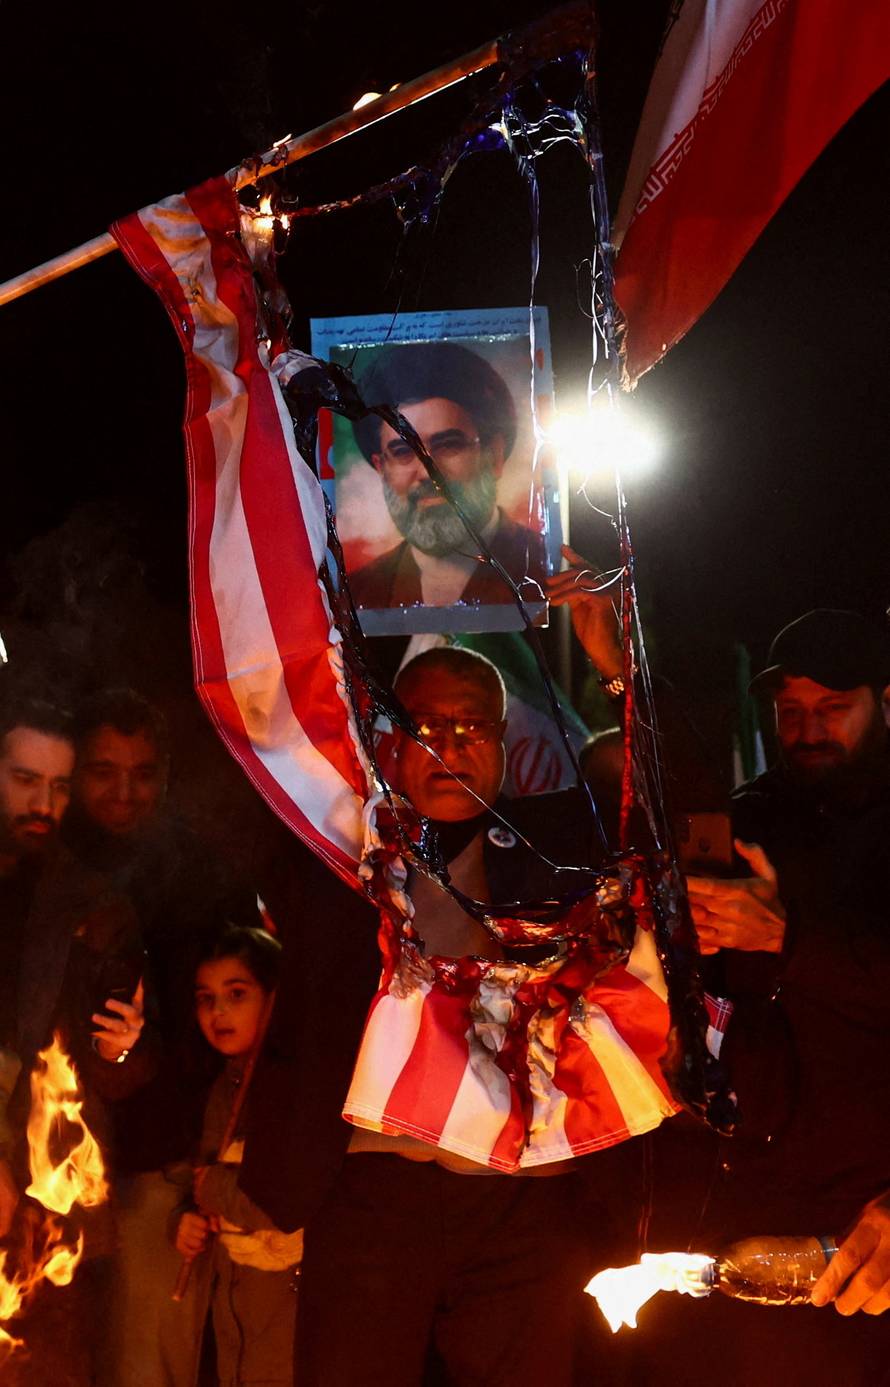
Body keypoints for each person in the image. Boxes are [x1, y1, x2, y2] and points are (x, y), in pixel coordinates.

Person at [241, 592, 685, 1386]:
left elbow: (663, 808)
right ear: (391, 741)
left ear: (507, 743)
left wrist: (617, 673)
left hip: (530, 1204)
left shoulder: (562, 844)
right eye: (423, 727)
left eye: (470, 726)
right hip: (376, 1190)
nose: (446, 746)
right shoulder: (341, 847)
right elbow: (270, 741)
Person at [626, 608, 890, 1384]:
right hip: (756, 1188)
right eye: (790, 712)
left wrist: (792, 937)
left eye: (832, 708)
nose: (808, 730)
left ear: (883, 700)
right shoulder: (752, 813)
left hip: (870, 1197)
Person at [63, 689, 256, 1387]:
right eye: (104, 770)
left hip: (157, 1167)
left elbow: (232, 1026)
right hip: (49, 1170)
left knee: (144, 1366)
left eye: (142, 773)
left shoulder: (201, 876)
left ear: (167, 772)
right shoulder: (47, 867)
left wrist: (145, 1061)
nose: (123, 791)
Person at [0, 691, 148, 1384]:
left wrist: (121, 1049)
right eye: (25, 780)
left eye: (59, 786)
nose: (43, 803)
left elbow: (114, 1071)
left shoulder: (96, 902)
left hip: (53, 1206)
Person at [171, 926, 300, 1387]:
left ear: (273, 997)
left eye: (237, 993)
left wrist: (214, 1188)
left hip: (288, 1303)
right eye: (206, 998)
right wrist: (190, 1218)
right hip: (235, 1302)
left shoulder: (294, 1089)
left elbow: (284, 1198)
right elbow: (206, 1184)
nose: (218, 1012)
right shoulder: (221, 1089)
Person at [348, 340, 546, 609]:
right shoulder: (357, 594)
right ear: (382, 469)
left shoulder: (545, 570)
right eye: (403, 452)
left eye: (448, 445)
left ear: (494, 456)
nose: (427, 473)